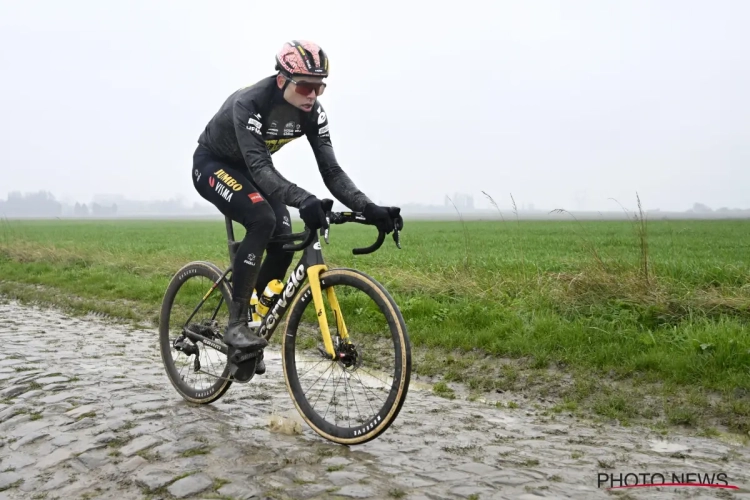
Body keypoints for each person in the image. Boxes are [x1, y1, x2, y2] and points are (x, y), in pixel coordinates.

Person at [191, 40, 403, 375]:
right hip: (213, 165)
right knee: (262, 218)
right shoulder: (250, 102)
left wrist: (369, 207)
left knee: (285, 235)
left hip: (252, 169)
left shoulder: (312, 113)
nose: (313, 94)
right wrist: (304, 199)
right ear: (282, 80)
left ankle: (255, 322)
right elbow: (261, 168)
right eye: (305, 86)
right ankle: (235, 323)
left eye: (320, 87)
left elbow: (331, 171)